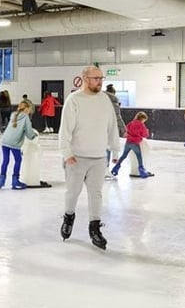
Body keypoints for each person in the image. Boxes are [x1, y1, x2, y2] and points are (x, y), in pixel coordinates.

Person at [58, 66, 120, 250]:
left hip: (99, 157)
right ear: (85, 78)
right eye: (96, 78)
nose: (100, 82)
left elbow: (112, 126)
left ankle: (95, 228)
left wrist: (115, 150)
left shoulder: (105, 100)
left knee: (96, 194)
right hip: (76, 157)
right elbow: (65, 129)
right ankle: (69, 217)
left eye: (101, 78)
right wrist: (67, 153)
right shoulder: (74, 99)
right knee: (73, 192)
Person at [0, 100, 38, 189]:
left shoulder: (13, 114)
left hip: (5, 140)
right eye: (30, 110)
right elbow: (29, 132)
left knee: (5, 160)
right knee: (18, 160)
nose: (30, 112)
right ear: (27, 109)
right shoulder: (25, 117)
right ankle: (15, 180)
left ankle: (1, 179)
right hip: (14, 142)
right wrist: (33, 135)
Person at [110, 111, 153, 178]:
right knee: (139, 156)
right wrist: (146, 131)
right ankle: (142, 170)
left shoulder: (131, 123)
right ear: (142, 119)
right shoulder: (141, 125)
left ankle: (116, 167)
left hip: (128, 142)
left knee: (124, 156)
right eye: (144, 120)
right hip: (135, 143)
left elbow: (127, 129)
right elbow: (145, 134)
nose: (144, 122)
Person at [103, 84, 126, 180]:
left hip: (97, 128)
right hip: (109, 128)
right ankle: (105, 171)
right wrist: (123, 130)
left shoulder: (100, 99)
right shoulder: (114, 101)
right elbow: (117, 117)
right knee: (107, 148)